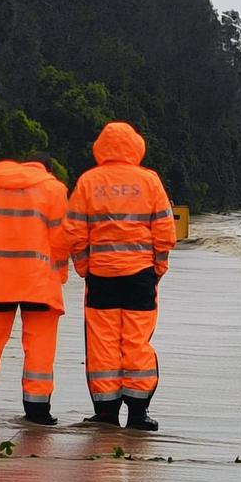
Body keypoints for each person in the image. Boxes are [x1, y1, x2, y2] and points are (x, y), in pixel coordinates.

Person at [65, 122, 176, 431]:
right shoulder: (149, 181)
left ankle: (106, 413)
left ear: (101, 146)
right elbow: (165, 230)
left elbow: (74, 230)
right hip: (141, 275)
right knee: (137, 341)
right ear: (136, 146)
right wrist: (158, 269)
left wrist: (84, 267)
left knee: (103, 343)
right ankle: (138, 414)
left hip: (101, 275)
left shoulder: (89, 181)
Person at [0, 153, 69, 424]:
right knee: (39, 344)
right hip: (38, 279)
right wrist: (60, 274)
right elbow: (61, 238)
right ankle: (37, 410)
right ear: (48, 169)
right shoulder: (53, 189)